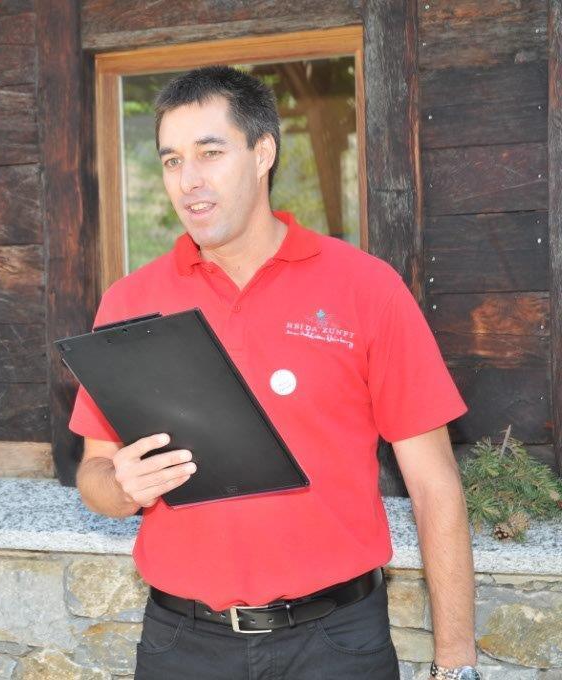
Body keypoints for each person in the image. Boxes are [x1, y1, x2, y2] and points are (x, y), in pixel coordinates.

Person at [71, 67, 480, 680]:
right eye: (172, 160)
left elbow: (435, 486)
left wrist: (456, 664)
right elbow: (94, 475)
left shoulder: (366, 288)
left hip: (337, 642)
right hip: (182, 644)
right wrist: (123, 487)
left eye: (210, 153)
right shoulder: (129, 302)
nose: (189, 180)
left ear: (263, 153)